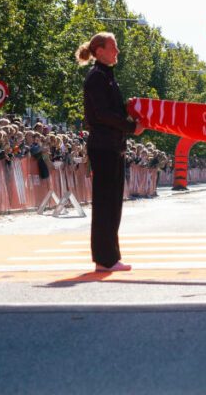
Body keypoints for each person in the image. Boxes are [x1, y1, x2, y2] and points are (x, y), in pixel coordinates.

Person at [78, 32, 143, 273]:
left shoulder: (105, 77)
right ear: (100, 50)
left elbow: (111, 110)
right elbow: (103, 114)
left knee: (113, 203)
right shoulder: (97, 77)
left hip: (111, 145)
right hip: (104, 146)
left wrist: (129, 109)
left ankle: (108, 257)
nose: (117, 52)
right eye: (113, 47)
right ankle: (105, 259)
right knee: (106, 203)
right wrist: (130, 126)